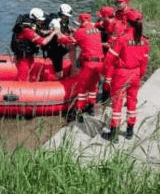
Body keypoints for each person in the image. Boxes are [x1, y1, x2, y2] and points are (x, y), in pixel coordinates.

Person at [101, 11, 149, 142]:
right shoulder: (144, 40)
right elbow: (144, 62)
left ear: (127, 22)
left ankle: (114, 133)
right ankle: (129, 131)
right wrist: (140, 76)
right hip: (136, 74)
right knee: (132, 101)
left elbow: (109, 59)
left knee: (117, 102)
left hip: (122, 74)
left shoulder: (122, 39)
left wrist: (107, 75)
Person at [58, 12, 105, 122]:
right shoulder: (96, 30)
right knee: (94, 85)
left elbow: (70, 41)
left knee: (81, 87)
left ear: (80, 21)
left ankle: (78, 111)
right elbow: (88, 38)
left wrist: (60, 37)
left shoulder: (80, 32)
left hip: (89, 64)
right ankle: (91, 107)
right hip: (100, 63)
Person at [11, 8, 59, 82]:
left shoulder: (30, 27)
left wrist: (48, 32)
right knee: (22, 79)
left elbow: (38, 32)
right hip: (23, 59)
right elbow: (43, 42)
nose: (41, 22)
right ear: (34, 20)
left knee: (27, 75)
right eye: (40, 21)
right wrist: (53, 33)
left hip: (28, 56)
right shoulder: (27, 31)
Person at [42, 4, 74, 79]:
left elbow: (66, 29)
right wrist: (70, 40)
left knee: (72, 48)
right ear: (61, 14)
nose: (67, 17)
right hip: (53, 48)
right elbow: (59, 34)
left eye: (68, 16)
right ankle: (58, 79)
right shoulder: (55, 22)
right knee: (58, 64)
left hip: (58, 45)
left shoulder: (65, 21)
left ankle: (69, 69)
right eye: (65, 16)